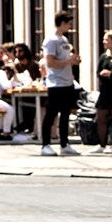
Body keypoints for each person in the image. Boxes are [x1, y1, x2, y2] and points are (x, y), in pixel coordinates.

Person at [40, 11, 82, 156]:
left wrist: (73, 60)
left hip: (67, 82)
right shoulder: (51, 40)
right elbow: (50, 63)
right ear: (62, 23)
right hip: (56, 83)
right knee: (51, 114)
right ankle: (45, 145)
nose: (70, 26)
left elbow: (64, 60)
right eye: (69, 23)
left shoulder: (63, 39)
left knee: (65, 114)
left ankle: (64, 144)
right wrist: (68, 61)